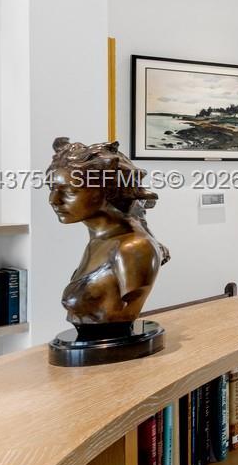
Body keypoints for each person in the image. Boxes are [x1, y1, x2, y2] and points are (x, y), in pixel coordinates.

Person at [47, 137, 170, 325]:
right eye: (52, 188)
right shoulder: (99, 240)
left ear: (107, 190)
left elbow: (123, 312)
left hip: (113, 339)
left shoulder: (132, 249)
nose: (53, 200)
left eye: (70, 191)